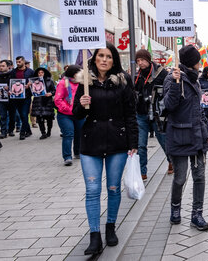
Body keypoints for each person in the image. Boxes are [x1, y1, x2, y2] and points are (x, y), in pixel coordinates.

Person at [73, 42, 138, 255]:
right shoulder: (85, 82)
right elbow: (76, 116)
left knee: (113, 188)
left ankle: (110, 227)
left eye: (109, 56)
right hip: (90, 142)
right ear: (94, 58)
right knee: (92, 190)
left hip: (116, 143)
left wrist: (133, 144)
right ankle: (94, 236)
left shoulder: (122, 82)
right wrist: (81, 105)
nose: (104, 60)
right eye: (101, 55)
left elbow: (130, 115)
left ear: (114, 60)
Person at [164, 45, 208, 231]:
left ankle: (197, 214)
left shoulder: (196, 80)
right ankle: (175, 209)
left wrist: (206, 130)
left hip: (197, 134)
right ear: (193, 61)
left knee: (199, 176)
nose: (200, 63)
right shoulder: (173, 78)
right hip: (179, 135)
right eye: (198, 60)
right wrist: (176, 84)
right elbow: (169, 105)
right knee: (180, 178)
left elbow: (198, 108)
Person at [133, 49, 171, 179]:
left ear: (148, 60)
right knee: (141, 145)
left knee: (163, 140)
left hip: (156, 113)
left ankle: (171, 161)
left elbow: (168, 91)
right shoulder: (137, 76)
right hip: (141, 114)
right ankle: (142, 172)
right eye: (138, 61)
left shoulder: (162, 73)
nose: (140, 63)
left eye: (142, 60)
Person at [54, 65, 84, 166]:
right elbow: (58, 100)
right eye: (78, 73)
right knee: (68, 134)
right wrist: (69, 109)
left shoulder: (82, 83)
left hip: (79, 113)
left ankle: (78, 152)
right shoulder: (63, 83)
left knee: (79, 133)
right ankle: (67, 157)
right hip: (65, 115)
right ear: (73, 73)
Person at [9, 56, 34, 140]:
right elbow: (9, 82)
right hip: (16, 97)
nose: (18, 63)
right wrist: (9, 90)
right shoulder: (13, 72)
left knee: (24, 114)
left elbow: (36, 82)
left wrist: (30, 84)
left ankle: (22, 133)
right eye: (17, 62)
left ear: (23, 61)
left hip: (26, 96)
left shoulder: (30, 72)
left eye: (19, 62)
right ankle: (29, 130)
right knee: (22, 115)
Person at [30, 67, 56, 140]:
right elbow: (31, 92)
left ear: (44, 73)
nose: (40, 74)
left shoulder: (49, 81)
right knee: (39, 117)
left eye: (42, 72)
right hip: (38, 101)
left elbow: (54, 90)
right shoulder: (34, 82)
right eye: (39, 73)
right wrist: (29, 86)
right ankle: (43, 133)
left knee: (49, 118)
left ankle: (49, 131)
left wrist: (50, 93)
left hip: (47, 101)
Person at [0, 59, 14, 139]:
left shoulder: (13, 75)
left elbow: (16, 86)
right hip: (1, 100)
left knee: (12, 116)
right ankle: (3, 132)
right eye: (0, 66)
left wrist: (10, 89)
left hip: (11, 100)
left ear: (8, 67)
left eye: (3, 66)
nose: (1, 67)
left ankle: (10, 130)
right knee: (2, 116)